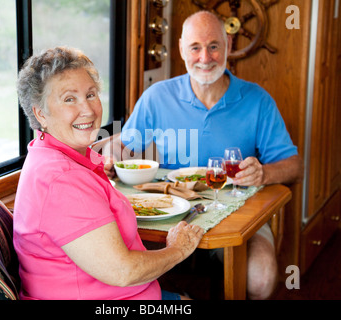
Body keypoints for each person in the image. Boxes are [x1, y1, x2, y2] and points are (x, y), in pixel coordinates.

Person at [108, 11, 303, 300]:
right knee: (123, 269)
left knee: (261, 279)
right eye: (195, 47)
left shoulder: (257, 99)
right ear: (181, 49)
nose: (205, 57)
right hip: (167, 212)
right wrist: (112, 156)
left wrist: (264, 173)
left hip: (237, 212)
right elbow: (123, 146)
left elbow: (294, 166)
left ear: (228, 45)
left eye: (214, 46)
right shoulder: (157, 96)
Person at [13, 46, 204, 300]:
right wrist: (178, 250)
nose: (89, 110)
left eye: (91, 94)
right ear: (40, 114)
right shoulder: (62, 180)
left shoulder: (55, 154)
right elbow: (122, 272)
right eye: (69, 99)